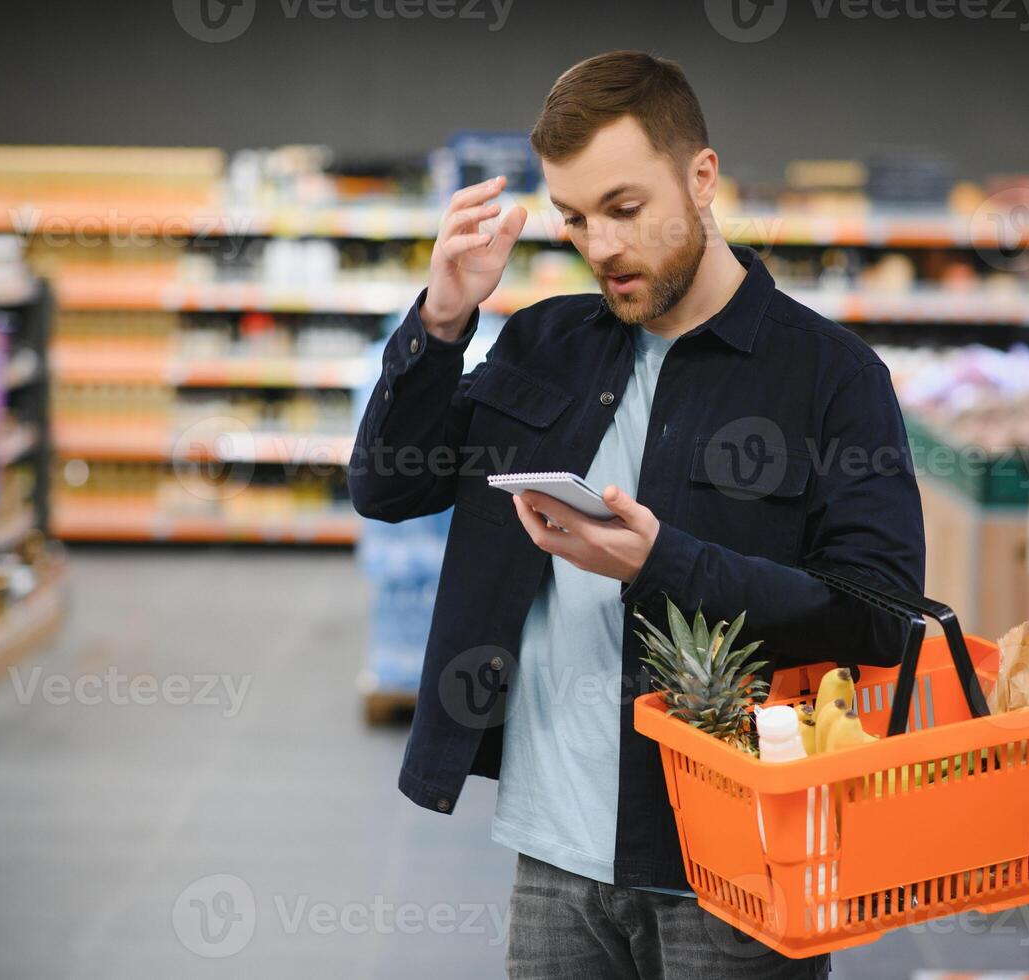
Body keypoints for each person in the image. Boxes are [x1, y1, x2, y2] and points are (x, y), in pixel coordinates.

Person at [349, 50, 924, 979]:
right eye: (575, 218)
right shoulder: (545, 341)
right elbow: (386, 486)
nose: (601, 246)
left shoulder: (830, 379)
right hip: (553, 848)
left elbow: (882, 617)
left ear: (702, 177)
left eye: (624, 209)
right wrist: (443, 319)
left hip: (733, 864)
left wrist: (665, 564)